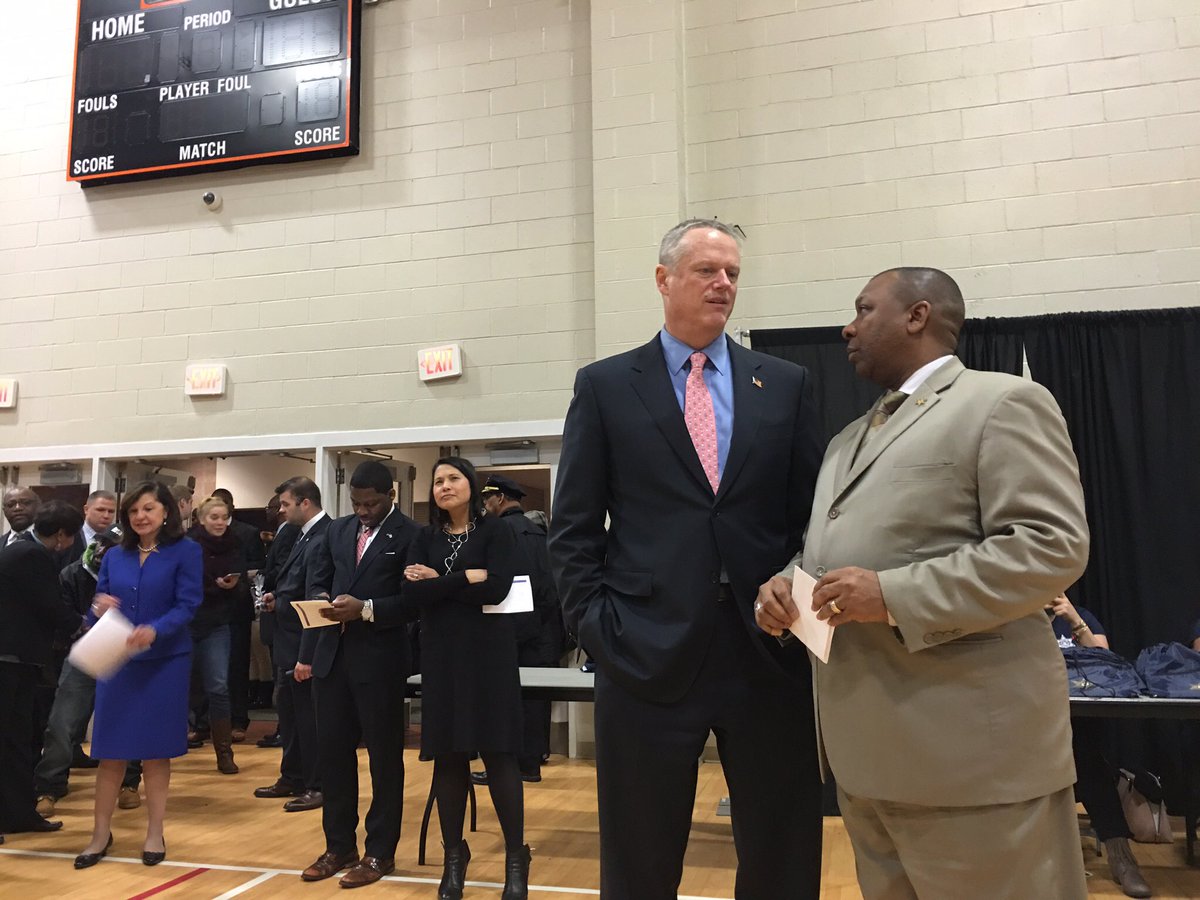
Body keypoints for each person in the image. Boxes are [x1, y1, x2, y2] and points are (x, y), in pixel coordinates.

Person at [755, 267, 1091, 899]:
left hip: (970, 763)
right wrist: (784, 586)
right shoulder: (846, 441)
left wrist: (893, 595)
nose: (847, 327)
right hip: (865, 760)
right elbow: (827, 553)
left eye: (864, 310)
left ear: (918, 316)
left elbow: (1051, 546)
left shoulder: (1001, 403)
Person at [548, 218, 826, 900]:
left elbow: (811, 519)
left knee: (784, 849)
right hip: (642, 647)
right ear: (663, 279)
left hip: (766, 650)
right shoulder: (606, 386)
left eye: (732, 272)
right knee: (639, 858)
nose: (723, 283)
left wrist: (795, 596)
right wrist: (596, 627)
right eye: (707, 270)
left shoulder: (783, 383)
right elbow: (574, 526)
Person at [405, 458, 528, 900]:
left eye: (453, 478)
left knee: (499, 755)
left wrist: (440, 582)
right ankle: (454, 859)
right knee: (449, 757)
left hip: (489, 656)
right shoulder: (424, 537)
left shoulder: (497, 531)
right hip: (441, 657)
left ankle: (516, 859)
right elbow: (411, 592)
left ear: (471, 485)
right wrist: (463, 579)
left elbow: (497, 588)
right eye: (438, 480)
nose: (444, 486)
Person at [300, 461, 420, 889]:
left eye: (371, 503)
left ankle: (379, 853)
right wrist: (321, 599)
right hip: (332, 657)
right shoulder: (338, 530)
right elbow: (317, 579)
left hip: (380, 661)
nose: (363, 511)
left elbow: (413, 602)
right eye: (356, 503)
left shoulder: (411, 535)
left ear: (391, 495)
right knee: (333, 756)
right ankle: (339, 847)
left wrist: (365, 609)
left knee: (384, 760)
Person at [75, 481, 202, 869]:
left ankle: (154, 832)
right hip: (119, 659)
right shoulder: (115, 555)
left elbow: (188, 604)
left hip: (165, 661)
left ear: (166, 512)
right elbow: (99, 604)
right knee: (110, 751)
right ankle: (100, 834)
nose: (140, 516)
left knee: (155, 752)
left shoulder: (186, 551)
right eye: (133, 511)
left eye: (148, 508)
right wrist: (98, 606)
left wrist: (156, 630)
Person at [1048, 594, 1153, 899]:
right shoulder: (1018, 616)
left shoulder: (1079, 615)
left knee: (1088, 760)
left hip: (1079, 722)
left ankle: (1122, 858)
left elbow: (1107, 662)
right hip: (1032, 722)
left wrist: (1074, 621)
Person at [35, 527, 143, 817]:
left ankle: (129, 783)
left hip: (126, 651)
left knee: (127, 720)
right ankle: (49, 786)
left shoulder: (139, 573)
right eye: (104, 545)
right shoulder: (72, 573)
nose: (107, 551)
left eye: (117, 547)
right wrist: (90, 618)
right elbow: (60, 613)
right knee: (61, 722)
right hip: (84, 651)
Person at [0, 500, 83, 838]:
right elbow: (51, 607)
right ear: (61, 535)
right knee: (10, 740)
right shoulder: (32, 555)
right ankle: (16, 814)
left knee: (18, 741)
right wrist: (83, 624)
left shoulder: (21, 550)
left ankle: (18, 814)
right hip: (8, 658)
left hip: (17, 660)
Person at [474, 473, 562, 784]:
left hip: (512, 629)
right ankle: (531, 763)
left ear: (499, 498)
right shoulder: (539, 531)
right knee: (535, 700)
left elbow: (509, 585)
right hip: (544, 631)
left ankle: (508, 766)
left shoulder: (501, 532)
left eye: (487, 498)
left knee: (506, 700)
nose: (484, 505)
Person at [253, 476, 328, 813]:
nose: (281, 510)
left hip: (302, 643)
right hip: (287, 638)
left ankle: (316, 784)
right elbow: (295, 584)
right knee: (291, 716)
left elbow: (316, 599)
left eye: (285, 504)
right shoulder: (302, 533)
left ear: (305, 503)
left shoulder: (323, 535)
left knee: (308, 720)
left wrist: (307, 655)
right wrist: (277, 598)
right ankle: (293, 775)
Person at [187, 497, 245, 775]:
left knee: (218, 686)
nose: (220, 522)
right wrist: (213, 586)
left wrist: (232, 586)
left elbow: (242, 582)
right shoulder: (188, 545)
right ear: (202, 519)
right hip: (187, 622)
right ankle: (167, 743)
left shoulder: (235, 543)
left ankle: (224, 752)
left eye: (224, 517)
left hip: (218, 622)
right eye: (214, 517)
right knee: (178, 685)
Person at [211, 488, 266, 743]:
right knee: (207, 669)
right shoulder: (199, 535)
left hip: (238, 606)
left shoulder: (247, 532)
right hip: (208, 607)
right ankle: (203, 722)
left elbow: (259, 565)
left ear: (231, 507)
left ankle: (238, 720)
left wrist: (238, 574)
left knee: (237, 665)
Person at [61, 490, 118, 565]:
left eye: (111, 511)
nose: (106, 516)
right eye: (100, 510)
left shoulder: (118, 539)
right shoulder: (71, 535)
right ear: (86, 509)